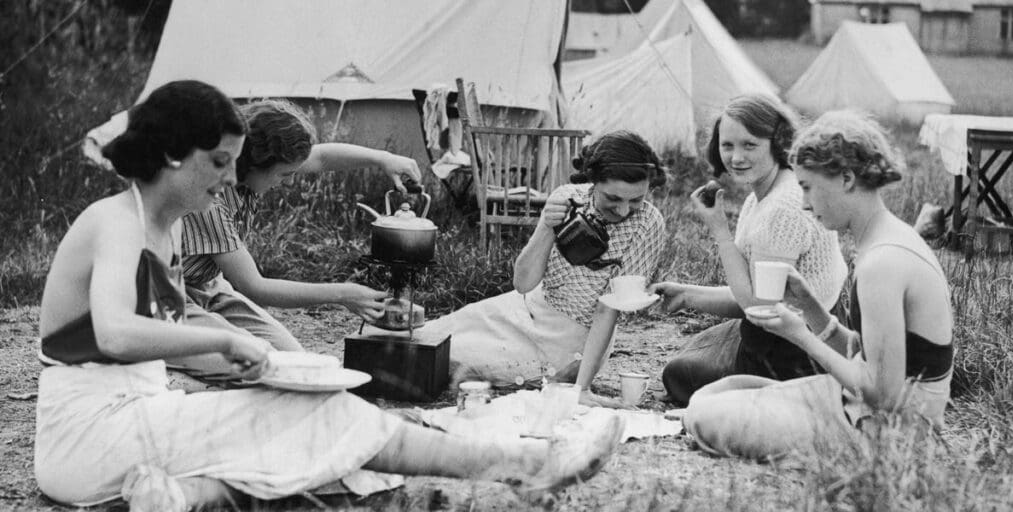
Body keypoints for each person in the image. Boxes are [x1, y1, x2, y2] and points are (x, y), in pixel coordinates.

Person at [34, 80, 624, 511]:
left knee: (299, 417)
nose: (226, 179)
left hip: (123, 432)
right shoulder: (116, 221)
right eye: (218, 163)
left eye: (233, 164)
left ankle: (185, 497)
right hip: (91, 437)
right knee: (309, 416)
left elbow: (311, 161)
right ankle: (522, 465)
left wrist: (265, 365)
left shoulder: (164, 224)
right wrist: (224, 342)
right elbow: (112, 332)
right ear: (171, 155)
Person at [682, 110, 954, 459]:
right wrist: (811, 307)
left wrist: (801, 336)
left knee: (705, 415)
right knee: (722, 391)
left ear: (846, 179)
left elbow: (882, 394)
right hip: (863, 405)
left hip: (888, 431)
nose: (806, 204)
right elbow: (870, 355)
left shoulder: (881, 264)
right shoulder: (887, 237)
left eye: (808, 188)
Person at [374, 130, 668, 407]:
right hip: (521, 307)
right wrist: (548, 228)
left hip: (568, 340)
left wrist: (582, 389)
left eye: (636, 199)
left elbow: (608, 309)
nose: (624, 211)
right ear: (593, 181)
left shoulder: (647, 223)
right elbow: (523, 283)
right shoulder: (569, 197)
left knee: (448, 358)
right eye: (613, 199)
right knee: (422, 336)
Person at [173, 99, 423, 376]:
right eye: (285, 174)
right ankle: (154, 344)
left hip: (209, 286)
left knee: (293, 357)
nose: (290, 182)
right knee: (260, 364)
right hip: (170, 294)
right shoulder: (209, 196)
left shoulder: (247, 169)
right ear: (253, 163)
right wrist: (342, 294)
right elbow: (256, 286)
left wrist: (381, 158)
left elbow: (321, 158)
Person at [651, 94, 848, 405]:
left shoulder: (781, 209)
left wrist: (719, 230)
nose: (736, 157)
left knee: (677, 374)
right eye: (727, 145)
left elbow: (757, 307)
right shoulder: (765, 193)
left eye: (749, 145)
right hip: (783, 327)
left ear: (777, 143)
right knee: (696, 347)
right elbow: (755, 294)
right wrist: (686, 294)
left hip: (795, 351)